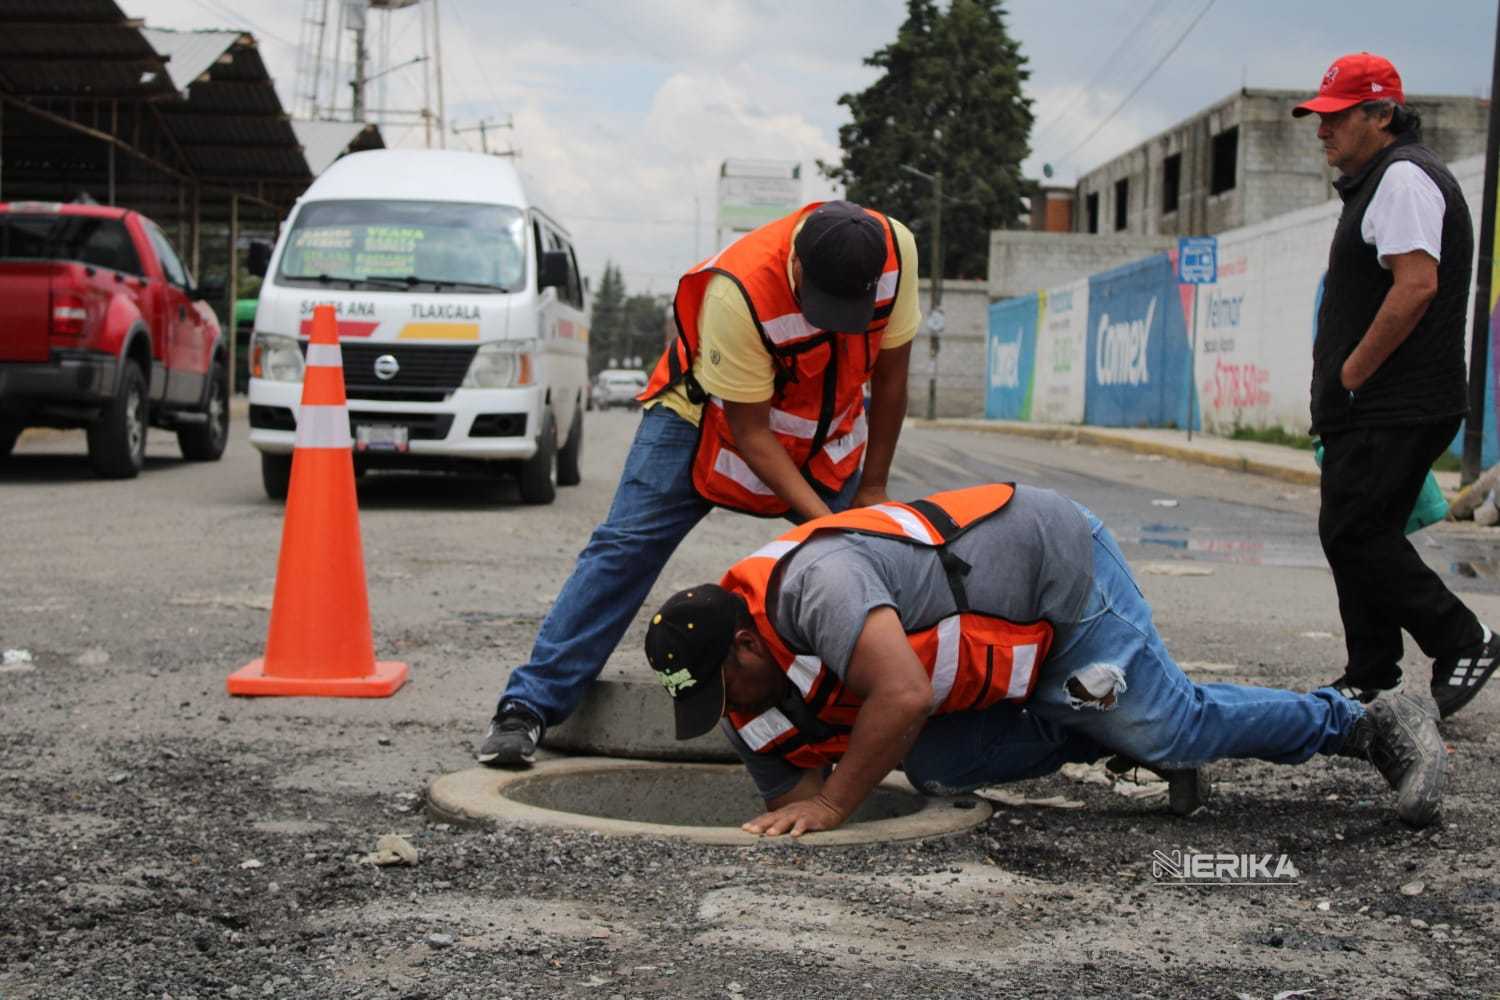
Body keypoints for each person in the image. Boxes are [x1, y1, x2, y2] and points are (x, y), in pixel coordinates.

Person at [644, 483, 1448, 835]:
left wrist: (831, 810)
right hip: (1005, 646)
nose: (731, 709)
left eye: (726, 688)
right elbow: (792, 781)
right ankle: (1107, 735)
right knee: (936, 767)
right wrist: (795, 810)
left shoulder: (818, 586)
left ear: (747, 641)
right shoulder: (741, 684)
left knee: (1171, 730)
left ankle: (1361, 720)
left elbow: (899, 698)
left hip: (1056, 569)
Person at [478, 201, 921, 764]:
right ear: (799, 269)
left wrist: (872, 490)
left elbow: (892, 378)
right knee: (624, 547)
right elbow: (750, 433)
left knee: (864, 561)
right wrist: (825, 519)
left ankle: (882, 717)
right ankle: (526, 708)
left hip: (819, 431)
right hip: (702, 418)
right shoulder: (739, 291)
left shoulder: (896, 254)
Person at [1295, 53, 1498, 717]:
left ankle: (1463, 638)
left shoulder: (1404, 178)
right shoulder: (1380, 179)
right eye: (1318, 118)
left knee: (1358, 532)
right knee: (1352, 529)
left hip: (1396, 400)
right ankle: (1370, 672)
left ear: (1381, 115)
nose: (1322, 130)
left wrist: (1352, 372)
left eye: (1336, 117)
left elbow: (1416, 287)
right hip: (1370, 406)